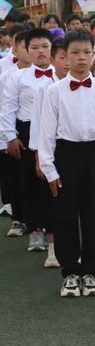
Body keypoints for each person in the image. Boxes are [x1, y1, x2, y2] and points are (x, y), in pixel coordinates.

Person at [38, 29, 95, 298]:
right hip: (65, 154)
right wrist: (49, 169)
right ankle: (70, 272)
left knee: (93, 215)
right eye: (75, 53)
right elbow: (46, 133)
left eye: (87, 52)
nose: (82, 58)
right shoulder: (54, 91)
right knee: (64, 215)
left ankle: (90, 273)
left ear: (94, 54)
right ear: (64, 57)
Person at [0, 28, 55, 252]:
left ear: (52, 49)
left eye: (45, 46)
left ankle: (55, 230)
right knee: (29, 182)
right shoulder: (16, 77)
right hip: (25, 130)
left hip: (54, 133)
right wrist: (10, 137)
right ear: (27, 51)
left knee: (53, 182)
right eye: (34, 47)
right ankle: (35, 231)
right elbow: (8, 108)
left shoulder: (60, 74)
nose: (40, 51)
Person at [28, 39, 69, 267]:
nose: (66, 62)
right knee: (51, 200)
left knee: (73, 201)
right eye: (61, 57)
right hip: (51, 151)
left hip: (73, 149)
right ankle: (52, 250)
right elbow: (37, 124)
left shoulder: (86, 84)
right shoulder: (45, 87)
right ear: (53, 60)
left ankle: (72, 247)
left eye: (68, 56)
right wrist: (39, 157)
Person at [0, 30, 31, 238]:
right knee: (14, 178)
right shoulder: (6, 75)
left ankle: (40, 223)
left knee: (36, 180)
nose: (33, 52)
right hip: (14, 131)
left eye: (39, 47)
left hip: (39, 131)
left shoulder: (51, 73)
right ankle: (18, 219)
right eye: (27, 47)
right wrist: (6, 137)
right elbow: (4, 107)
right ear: (15, 49)